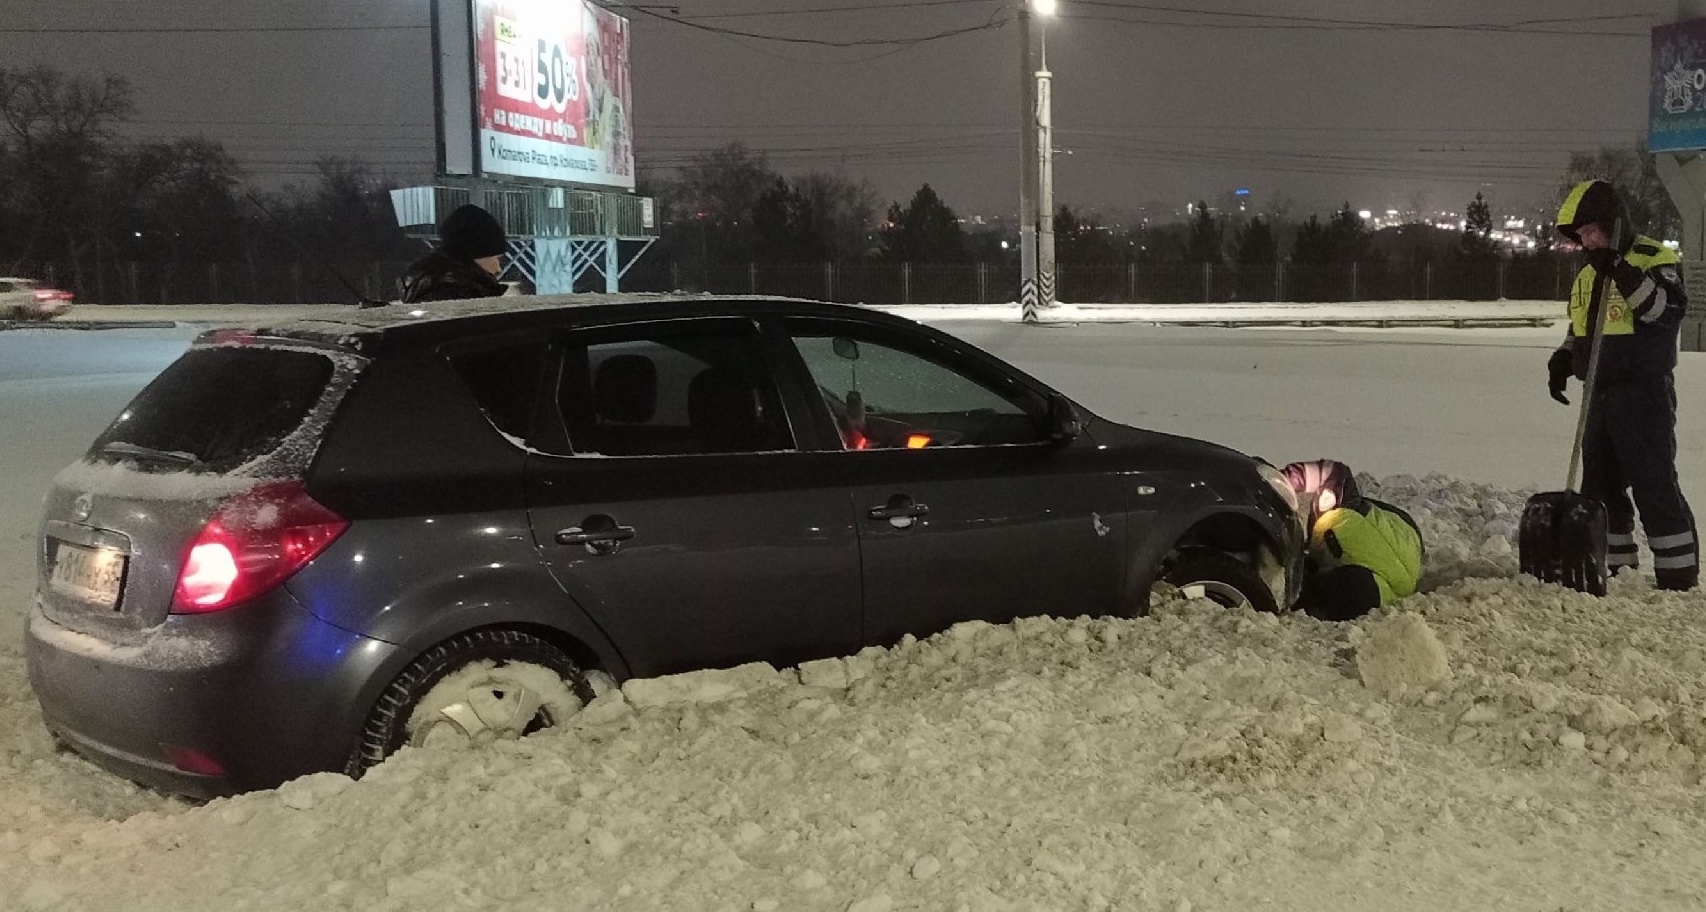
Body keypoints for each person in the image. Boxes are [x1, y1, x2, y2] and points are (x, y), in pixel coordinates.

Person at [1548, 179, 1697, 590]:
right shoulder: (1588, 272)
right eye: (1580, 236)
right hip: (1599, 392)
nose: (1586, 242)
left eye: (1592, 232)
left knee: (1653, 481)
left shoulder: (1652, 258)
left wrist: (1622, 270)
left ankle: (1677, 573)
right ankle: (1616, 566)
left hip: (1643, 393)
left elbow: (1664, 312)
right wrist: (1564, 357)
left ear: (1613, 224)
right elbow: (1583, 326)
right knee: (1599, 485)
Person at [1282, 460, 1425, 621]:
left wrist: (1282, 481)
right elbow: (1333, 473)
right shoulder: (1344, 515)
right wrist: (1286, 479)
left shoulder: (1339, 519)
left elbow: (1332, 473)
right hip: (1403, 543)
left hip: (1405, 541)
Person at [400, 204, 508, 304]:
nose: (499, 269)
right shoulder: (461, 294)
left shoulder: (428, 284)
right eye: (497, 258)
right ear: (476, 256)